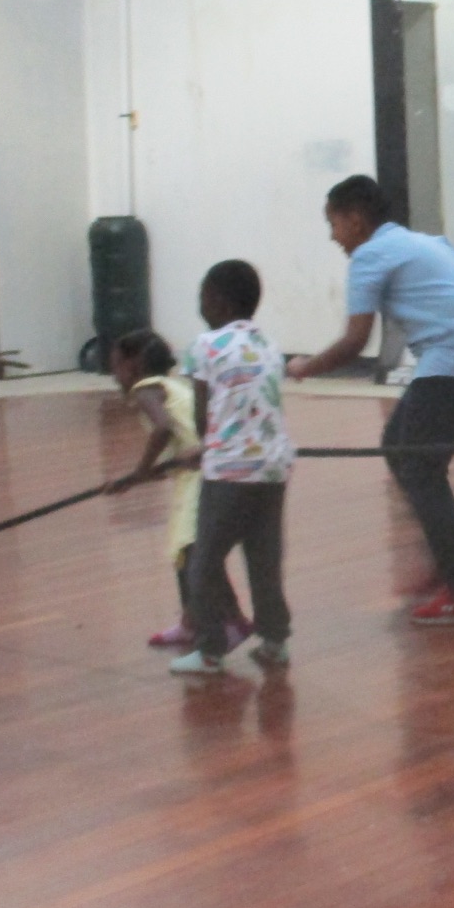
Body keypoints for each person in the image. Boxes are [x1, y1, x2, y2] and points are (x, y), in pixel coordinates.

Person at [289, 176, 454, 626]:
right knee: (399, 445)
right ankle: (443, 564)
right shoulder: (419, 241)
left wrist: (304, 367)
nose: (333, 236)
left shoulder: (370, 255)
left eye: (333, 223)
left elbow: (355, 342)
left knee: (421, 470)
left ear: (354, 219)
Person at [171, 261, 295, 675]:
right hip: (273, 469)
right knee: (264, 559)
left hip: (228, 471)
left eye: (203, 296)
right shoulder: (269, 345)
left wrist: (201, 449)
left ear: (219, 301)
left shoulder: (204, 345)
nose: (199, 304)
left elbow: (205, 408)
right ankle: (275, 641)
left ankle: (210, 649)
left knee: (202, 563)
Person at [104, 329, 245, 652]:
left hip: (200, 479)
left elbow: (163, 430)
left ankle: (230, 623)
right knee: (187, 555)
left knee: (192, 554)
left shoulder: (146, 390)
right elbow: (172, 458)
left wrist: (139, 472)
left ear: (134, 363)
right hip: (203, 471)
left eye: (116, 366)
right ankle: (190, 623)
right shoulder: (174, 385)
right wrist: (132, 479)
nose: (114, 375)